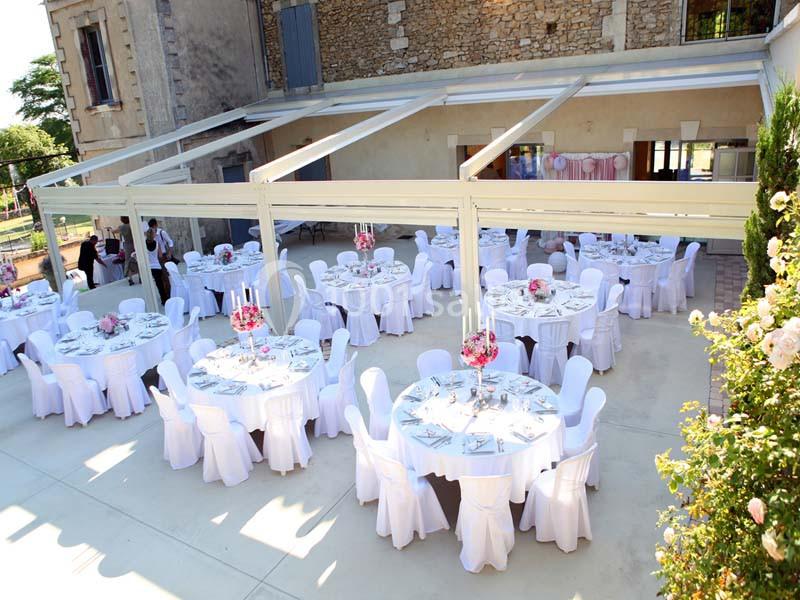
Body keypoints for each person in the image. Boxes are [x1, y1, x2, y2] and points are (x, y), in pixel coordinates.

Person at [146, 230, 168, 305]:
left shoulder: (144, 244)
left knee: (151, 284)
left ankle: (151, 300)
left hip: (148, 267)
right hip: (157, 266)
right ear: (153, 235)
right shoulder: (157, 244)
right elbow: (160, 255)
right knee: (160, 284)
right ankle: (164, 300)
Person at [113, 216, 137, 285]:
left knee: (128, 261)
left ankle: (130, 278)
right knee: (137, 260)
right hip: (134, 243)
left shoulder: (121, 227)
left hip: (127, 245)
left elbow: (114, 231)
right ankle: (140, 277)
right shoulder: (131, 225)